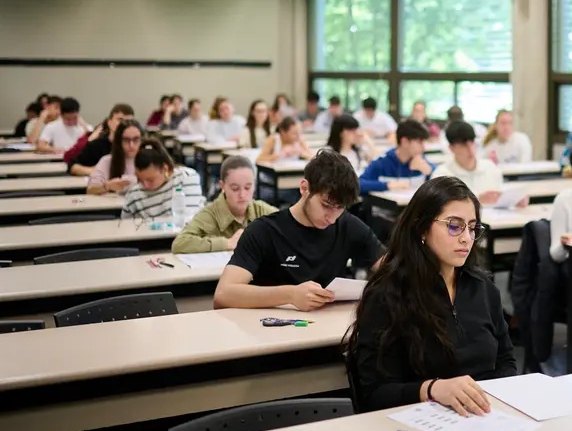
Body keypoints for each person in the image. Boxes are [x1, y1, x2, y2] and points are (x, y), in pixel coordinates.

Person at [346, 176, 516, 414]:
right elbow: (374, 394)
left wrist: (493, 399)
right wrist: (432, 389)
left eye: (472, 227)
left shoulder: (483, 288)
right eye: (454, 226)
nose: (466, 238)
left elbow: (506, 360)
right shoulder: (388, 294)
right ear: (422, 228)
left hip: (484, 417)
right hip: (419, 425)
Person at [212, 148, 385, 310]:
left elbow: (391, 268)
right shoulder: (264, 230)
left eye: (340, 208)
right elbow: (223, 295)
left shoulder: (348, 225)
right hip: (271, 332)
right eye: (326, 205)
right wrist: (290, 294)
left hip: (326, 330)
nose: (332, 217)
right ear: (304, 188)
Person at [172, 156, 277, 253]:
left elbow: (291, 228)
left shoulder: (262, 210)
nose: (242, 195)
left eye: (248, 187)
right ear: (222, 186)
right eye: (235, 189)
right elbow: (179, 244)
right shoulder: (211, 214)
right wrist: (227, 243)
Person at [434, 122, 526, 207]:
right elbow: (442, 209)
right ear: (451, 148)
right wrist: (477, 201)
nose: (470, 150)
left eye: (472, 143)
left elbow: (501, 201)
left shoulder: (490, 167)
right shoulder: (442, 175)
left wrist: (515, 201)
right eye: (463, 145)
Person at [121, 139, 205, 219]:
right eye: (140, 180)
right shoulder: (134, 194)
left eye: (150, 180)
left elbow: (189, 219)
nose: (145, 185)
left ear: (165, 169)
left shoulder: (186, 177)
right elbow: (125, 227)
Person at [359, 119, 433, 193]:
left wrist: (430, 172)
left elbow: (441, 181)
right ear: (405, 142)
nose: (424, 148)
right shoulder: (381, 163)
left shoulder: (421, 161)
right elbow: (358, 184)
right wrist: (387, 185)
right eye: (420, 142)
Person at [68, 103, 135, 176]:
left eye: (128, 121)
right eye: (120, 120)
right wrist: (94, 171)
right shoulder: (96, 145)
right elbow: (73, 167)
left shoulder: (136, 146)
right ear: (109, 122)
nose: (124, 124)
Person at [87, 119, 143, 195]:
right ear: (119, 141)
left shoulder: (150, 160)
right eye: (126, 140)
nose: (131, 145)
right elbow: (90, 190)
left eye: (136, 139)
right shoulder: (107, 161)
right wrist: (107, 186)